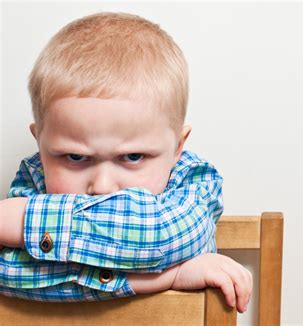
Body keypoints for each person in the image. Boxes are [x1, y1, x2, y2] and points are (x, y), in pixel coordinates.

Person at [0, 12, 251, 313]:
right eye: (75, 157)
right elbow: (7, 272)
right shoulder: (34, 178)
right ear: (40, 143)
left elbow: (169, 234)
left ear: (178, 147)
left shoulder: (195, 178)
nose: (103, 186)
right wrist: (164, 277)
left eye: (133, 157)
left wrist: (27, 220)